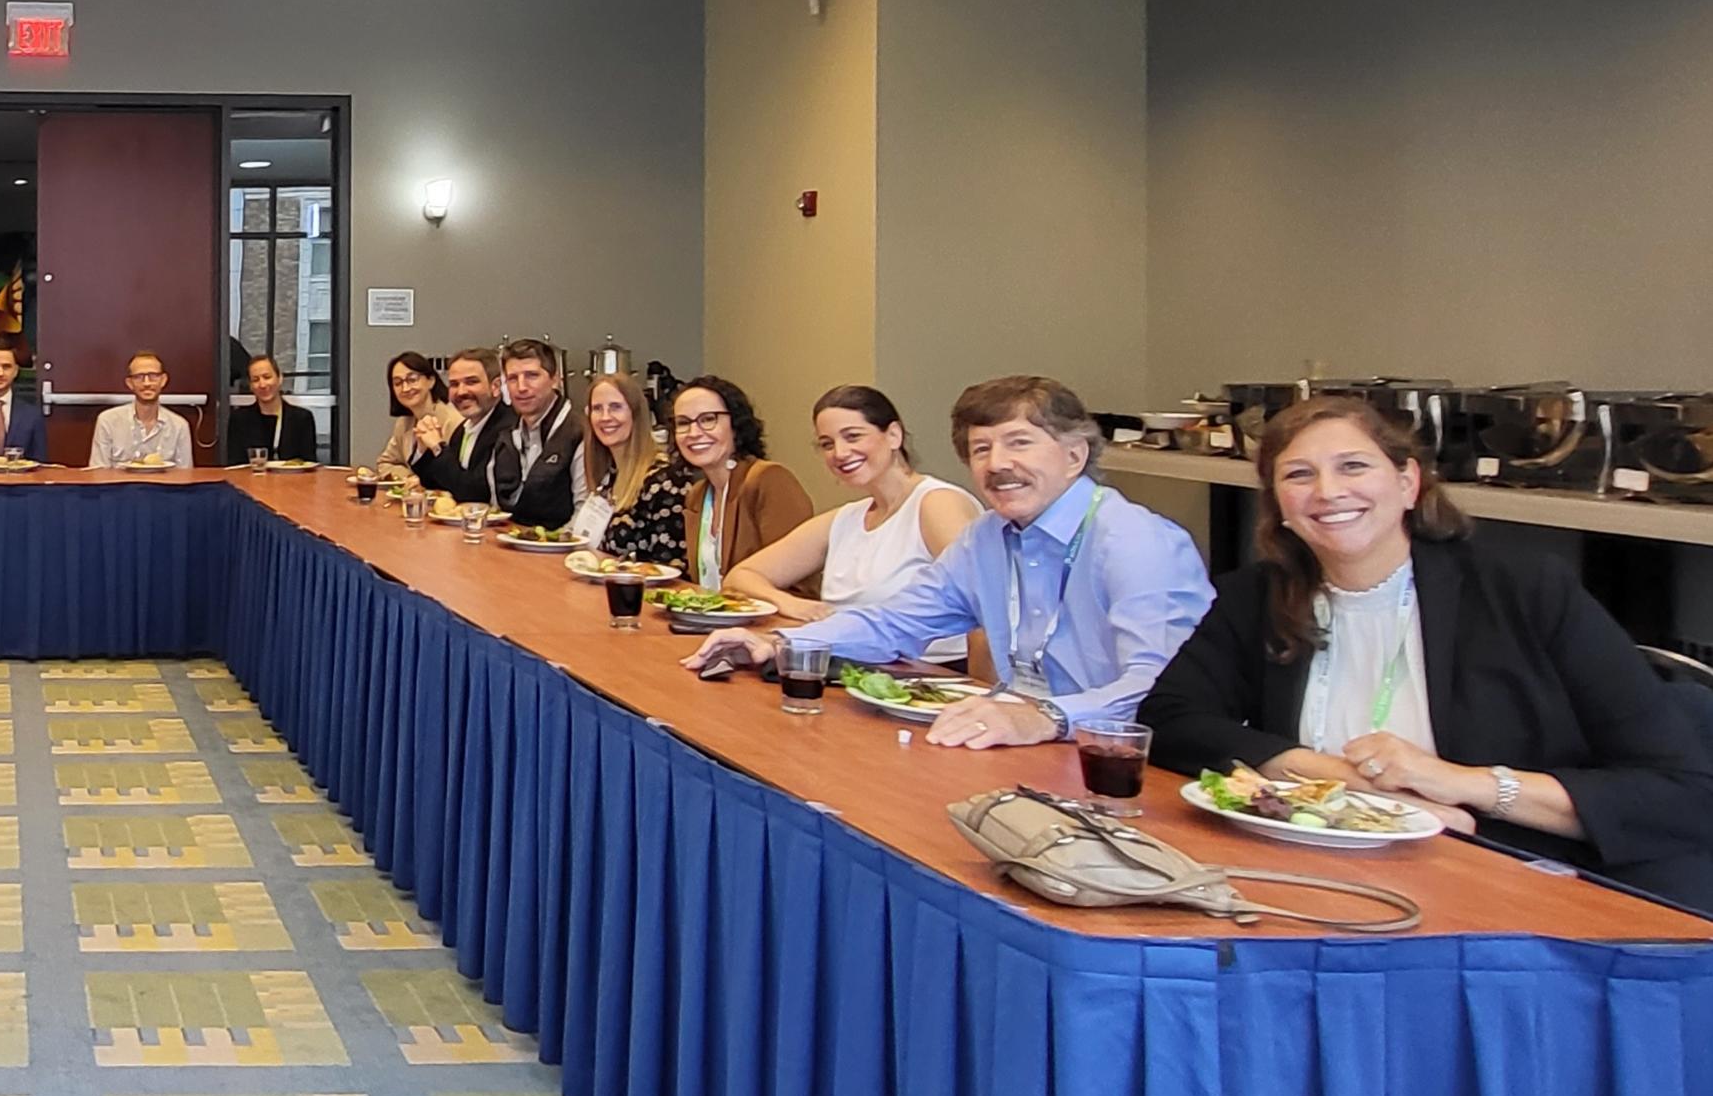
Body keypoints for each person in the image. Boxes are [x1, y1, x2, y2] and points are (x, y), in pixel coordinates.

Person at [1147, 396, 1713, 912]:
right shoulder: (1259, 596)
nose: (1327, 492)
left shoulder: (1525, 592)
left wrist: (1461, 784)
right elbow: (1171, 720)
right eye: (1299, 475)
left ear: (1408, 483)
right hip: (1328, 880)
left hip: (1513, 891)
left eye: (1353, 466)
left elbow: (1680, 793)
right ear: (1280, 507)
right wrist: (1338, 779)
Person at [687, 374, 1211, 749]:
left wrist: (1046, 718)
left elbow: (1160, 693)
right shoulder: (987, 539)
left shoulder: (1137, 543)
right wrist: (781, 643)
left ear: (1075, 456)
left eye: (1019, 444)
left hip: (1121, 764)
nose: (997, 465)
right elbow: (897, 620)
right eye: (980, 450)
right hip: (1015, 743)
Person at [726, 386, 982, 661]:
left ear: (894, 435)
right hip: (847, 665)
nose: (840, 452)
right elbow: (740, 577)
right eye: (827, 444)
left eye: (853, 437)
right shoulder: (844, 519)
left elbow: (983, 604)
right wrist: (793, 604)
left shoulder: (936, 503)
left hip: (928, 675)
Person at [669, 375, 813, 589]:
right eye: (683, 423)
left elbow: (798, 584)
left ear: (736, 425)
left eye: (708, 419)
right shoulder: (697, 495)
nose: (694, 433)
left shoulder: (769, 480)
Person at [568, 368, 686, 568]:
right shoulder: (608, 476)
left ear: (636, 413)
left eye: (615, 407)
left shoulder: (663, 481)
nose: (605, 417)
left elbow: (670, 567)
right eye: (597, 408)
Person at [478, 338, 584, 525]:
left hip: (562, 549)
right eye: (512, 378)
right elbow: (495, 509)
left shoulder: (579, 432)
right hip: (508, 545)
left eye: (531, 376)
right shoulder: (504, 436)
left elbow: (584, 514)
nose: (521, 387)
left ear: (555, 380)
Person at [412, 346, 509, 500]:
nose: (461, 392)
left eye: (471, 382)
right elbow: (436, 483)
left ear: (496, 387)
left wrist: (438, 448)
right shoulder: (463, 430)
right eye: (454, 384)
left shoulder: (508, 429)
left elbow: (474, 492)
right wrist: (423, 448)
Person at [90, 351, 195, 469]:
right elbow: (98, 473)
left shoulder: (180, 425)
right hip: (119, 487)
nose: (147, 383)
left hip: (164, 487)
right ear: (130, 383)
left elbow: (185, 476)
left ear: (163, 380)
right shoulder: (107, 421)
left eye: (153, 376)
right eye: (139, 377)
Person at [223, 354, 319, 465]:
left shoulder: (302, 418)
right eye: (255, 380)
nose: (262, 384)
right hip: (251, 481)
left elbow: (309, 465)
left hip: (292, 481)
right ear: (251, 386)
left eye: (267, 377)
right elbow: (235, 465)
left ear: (279, 379)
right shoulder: (239, 419)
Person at [372, 351, 448, 477]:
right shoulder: (404, 423)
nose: (405, 388)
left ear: (431, 381)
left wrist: (420, 482)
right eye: (397, 383)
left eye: (412, 380)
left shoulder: (451, 419)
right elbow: (385, 463)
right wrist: (409, 477)